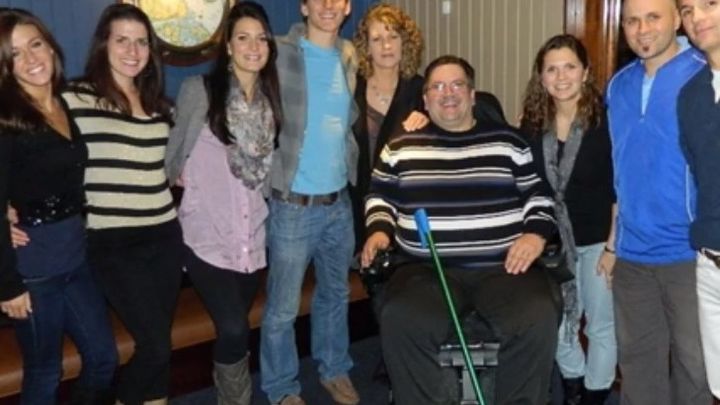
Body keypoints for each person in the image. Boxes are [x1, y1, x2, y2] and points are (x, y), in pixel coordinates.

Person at [362, 55, 560, 405]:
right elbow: (380, 197)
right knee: (401, 318)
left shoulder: (508, 142)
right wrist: (379, 231)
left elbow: (539, 195)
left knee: (537, 315)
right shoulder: (400, 146)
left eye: (457, 85)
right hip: (425, 269)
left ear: (472, 95)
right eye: (437, 87)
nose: (447, 93)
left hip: (503, 266)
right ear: (425, 100)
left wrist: (535, 234)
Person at [63, 4, 182, 404]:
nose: (132, 51)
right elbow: (30, 152)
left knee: (159, 337)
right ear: (104, 44)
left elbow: (172, 166)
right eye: (122, 40)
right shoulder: (74, 98)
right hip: (113, 242)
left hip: (165, 235)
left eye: (141, 42)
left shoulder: (162, 107)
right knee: (156, 346)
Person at [165, 2, 282, 404]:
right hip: (206, 235)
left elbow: (271, 168)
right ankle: (236, 399)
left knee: (235, 329)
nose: (253, 46)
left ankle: (226, 385)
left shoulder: (270, 100)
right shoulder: (200, 91)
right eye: (243, 38)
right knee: (234, 327)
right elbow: (172, 154)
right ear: (228, 46)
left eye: (261, 38)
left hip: (251, 236)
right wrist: (179, 177)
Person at [0, 8, 117, 404]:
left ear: (51, 47)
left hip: (75, 258)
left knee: (103, 359)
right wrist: (7, 285)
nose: (31, 59)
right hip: (32, 270)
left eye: (36, 45)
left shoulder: (65, 103)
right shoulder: (6, 121)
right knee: (45, 372)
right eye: (15, 54)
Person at [605, 0, 711, 403]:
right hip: (633, 259)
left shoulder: (704, 75)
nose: (642, 29)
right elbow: (620, 174)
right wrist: (613, 245)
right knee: (638, 371)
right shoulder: (618, 86)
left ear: (677, 20)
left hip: (689, 255)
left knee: (694, 370)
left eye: (653, 17)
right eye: (632, 21)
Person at [260, 1, 359, 404]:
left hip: (339, 202)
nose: (328, 5)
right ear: (303, 6)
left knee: (335, 294)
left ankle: (334, 367)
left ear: (347, 7)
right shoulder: (278, 53)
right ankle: (281, 386)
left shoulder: (349, 56)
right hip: (293, 206)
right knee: (282, 308)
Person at [520, 34, 617, 405]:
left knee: (600, 326)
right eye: (552, 69)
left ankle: (594, 397)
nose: (561, 77)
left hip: (598, 242)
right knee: (560, 323)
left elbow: (621, 190)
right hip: (552, 245)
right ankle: (574, 385)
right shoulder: (531, 126)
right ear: (541, 77)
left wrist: (613, 248)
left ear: (586, 72)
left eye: (570, 67)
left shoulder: (606, 122)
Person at [351, 3, 425, 248]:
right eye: (377, 39)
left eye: (393, 37)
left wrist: (429, 123)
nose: (386, 45)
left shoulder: (421, 90)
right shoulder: (351, 87)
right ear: (366, 46)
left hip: (403, 205)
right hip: (354, 204)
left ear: (405, 43)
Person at [677, 0, 720, 398]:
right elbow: (701, 173)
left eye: (710, 3)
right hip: (709, 261)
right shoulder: (691, 96)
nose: (698, 18)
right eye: (688, 9)